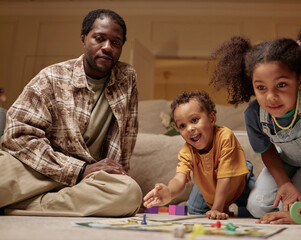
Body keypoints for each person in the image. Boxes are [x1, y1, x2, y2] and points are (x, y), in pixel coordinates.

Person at [0, 9, 142, 217]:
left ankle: (23, 205)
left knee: (129, 193)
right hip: (38, 168)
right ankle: (48, 200)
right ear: (84, 39)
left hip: (87, 179)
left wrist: (118, 175)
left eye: (116, 42)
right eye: (99, 39)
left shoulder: (127, 78)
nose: (107, 47)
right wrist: (77, 169)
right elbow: (18, 135)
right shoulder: (51, 76)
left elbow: (126, 138)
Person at [208, 23, 301, 224]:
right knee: (258, 207)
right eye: (261, 88)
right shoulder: (253, 114)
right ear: (252, 85)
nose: (271, 97)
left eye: (281, 85)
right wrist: (284, 183)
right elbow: (267, 150)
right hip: (290, 160)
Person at [143, 91, 255, 220]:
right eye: (182, 126)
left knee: (256, 209)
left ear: (212, 119)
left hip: (238, 182)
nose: (189, 129)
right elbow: (179, 179)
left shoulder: (225, 137)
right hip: (208, 181)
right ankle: (215, 199)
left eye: (194, 120)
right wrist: (169, 192)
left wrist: (217, 209)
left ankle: (234, 205)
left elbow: (225, 178)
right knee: (194, 210)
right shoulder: (187, 151)